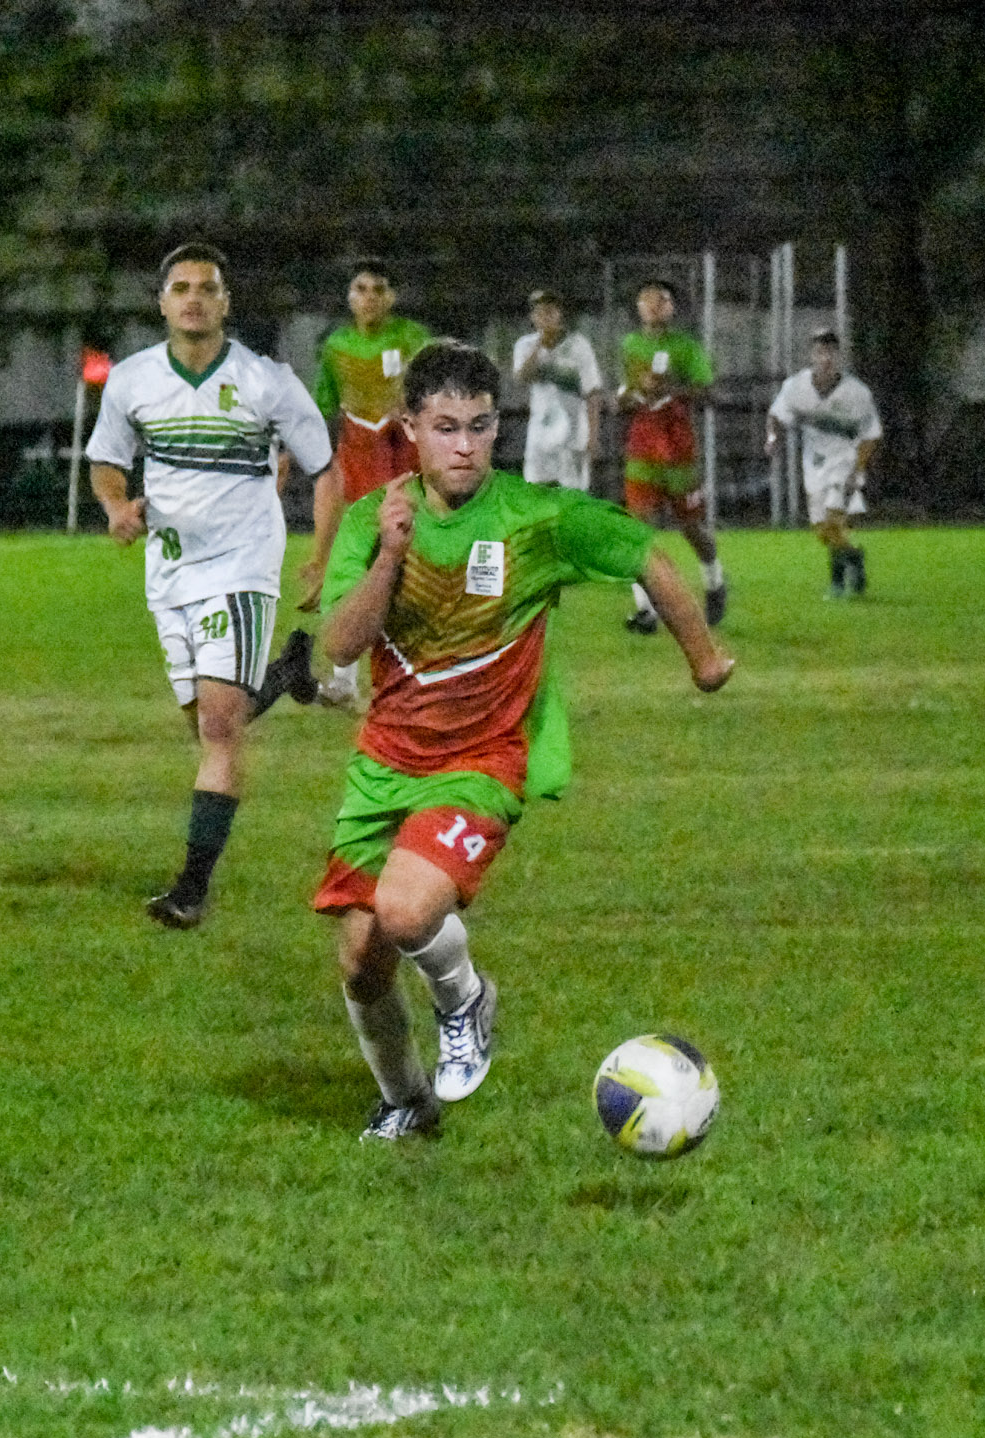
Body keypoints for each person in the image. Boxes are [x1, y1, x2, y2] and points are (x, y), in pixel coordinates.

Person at [311, 341, 735, 1140]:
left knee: (404, 914)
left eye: (478, 426)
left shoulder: (535, 517)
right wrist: (391, 560)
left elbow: (646, 555)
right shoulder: (377, 520)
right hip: (383, 766)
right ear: (411, 429)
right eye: (444, 427)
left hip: (480, 762)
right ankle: (407, 1103)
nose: (464, 445)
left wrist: (703, 657)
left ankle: (466, 998)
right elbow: (339, 641)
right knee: (362, 962)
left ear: (497, 428)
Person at [87, 242, 334, 930]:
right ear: (162, 302)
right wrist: (116, 508)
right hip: (167, 568)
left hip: (241, 565)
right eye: (182, 287)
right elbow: (107, 462)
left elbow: (327, 468)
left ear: (226, 303)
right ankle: (285, 675)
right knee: (203, 724)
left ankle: (191, 890)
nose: (194, 297)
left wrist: (322, 555)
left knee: (222, 729)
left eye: (208, 288)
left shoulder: (267, 381)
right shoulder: (133, 380)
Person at [300, 258, 433, 708]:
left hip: (407, 466)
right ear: (349, 297)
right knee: (353, 571)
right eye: (362, 288)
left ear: (392, 297)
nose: (371, 296)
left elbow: (439, 389)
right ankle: (343, 680)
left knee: (421, 572)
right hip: (358, 468)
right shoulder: (336, 346)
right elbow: (322, 407)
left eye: (379, 288)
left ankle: (432, 674)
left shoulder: (413, 338)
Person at [618, 278, 724, 631]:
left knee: (691, 526)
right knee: (638, 530)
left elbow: (708, 393)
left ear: (672, 308)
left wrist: (670, 389)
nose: (653, 306)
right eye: (646, 299)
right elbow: (626, 393)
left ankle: (714, 581)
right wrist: (627, 397)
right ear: (638, 307)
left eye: (661, 300)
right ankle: (645, 610)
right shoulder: (630, 345)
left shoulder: (686, 347)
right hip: (642, 447)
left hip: (678, 449)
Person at [767, 328, 882, 598]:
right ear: (812, 355)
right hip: (814, 464)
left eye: (831, 352)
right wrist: (773, 438)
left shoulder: (857, 393)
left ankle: (837, 583)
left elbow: (871, 435)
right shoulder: (796, 388)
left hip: (845, 461)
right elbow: (776, 415)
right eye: (820, 352)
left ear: (838, 356)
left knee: (833, 520)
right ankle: (854, 557)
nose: (826, 358)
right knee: (821, 531)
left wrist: (859, 469)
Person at [512, 289, 603, 489]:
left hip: (573, 434)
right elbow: (521, 377)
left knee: (572, 497)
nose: (545, 316)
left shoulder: (579, 345)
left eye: (550, 311)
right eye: (539, 312)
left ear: (560, 313)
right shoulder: (525, 345)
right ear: (533, 317)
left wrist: (594, 437)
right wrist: (539, 347)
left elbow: (592, 392)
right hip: (540, 433)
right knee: (537, 492)